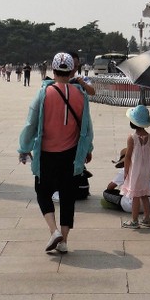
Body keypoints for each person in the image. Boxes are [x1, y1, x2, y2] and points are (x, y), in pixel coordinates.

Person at [18, 52, 93, 255]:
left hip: (47, 155)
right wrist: (88, 149)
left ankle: (53, 231)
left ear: (53, 70)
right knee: (68, 198)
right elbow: (87, 127)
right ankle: (64, 241)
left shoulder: (44, 93)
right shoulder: (81, 95)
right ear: (71, 71)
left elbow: (30, 124)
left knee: (43, 193)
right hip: (71, 156)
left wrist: (24, 148)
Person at [119, 105, 150, 229]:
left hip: (135, 171)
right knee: (145, 195)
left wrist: (126, 171)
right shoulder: (149, 137)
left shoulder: (132, 138)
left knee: (135, 196)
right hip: (146, 171)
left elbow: (128, 157)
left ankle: (134, 220)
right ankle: (147, 218)